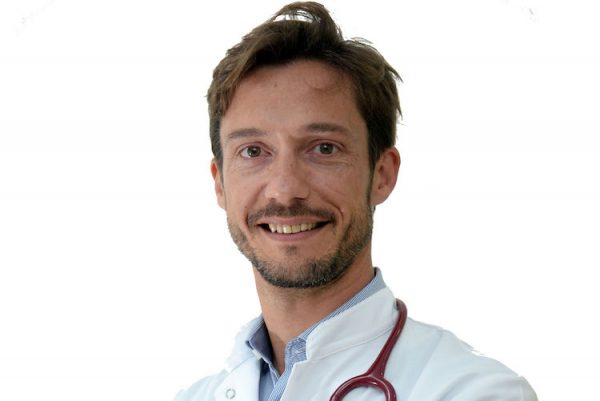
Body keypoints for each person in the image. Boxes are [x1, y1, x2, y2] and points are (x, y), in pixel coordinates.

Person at [176, 2, 537, 400]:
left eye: (324, 148)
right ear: (220, 183)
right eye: (253, 151)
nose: (285, 189)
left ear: (382, 174)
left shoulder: (474, 391)